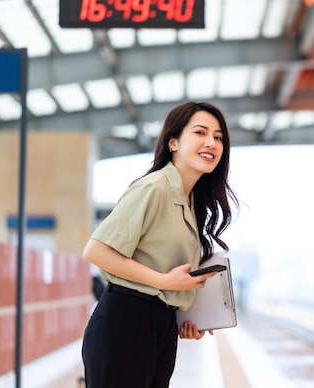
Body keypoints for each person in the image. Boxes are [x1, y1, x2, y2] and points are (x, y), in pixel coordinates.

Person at [81, 101, 238, 388]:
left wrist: (189, 318)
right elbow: (96, 250)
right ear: (173, 142)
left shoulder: (191, 202)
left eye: (218, 137)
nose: (211, 143)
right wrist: (165, 281)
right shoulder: (154, 188)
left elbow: (171, 274)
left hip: (161, 325)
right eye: (200, 133)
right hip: (126, 322)